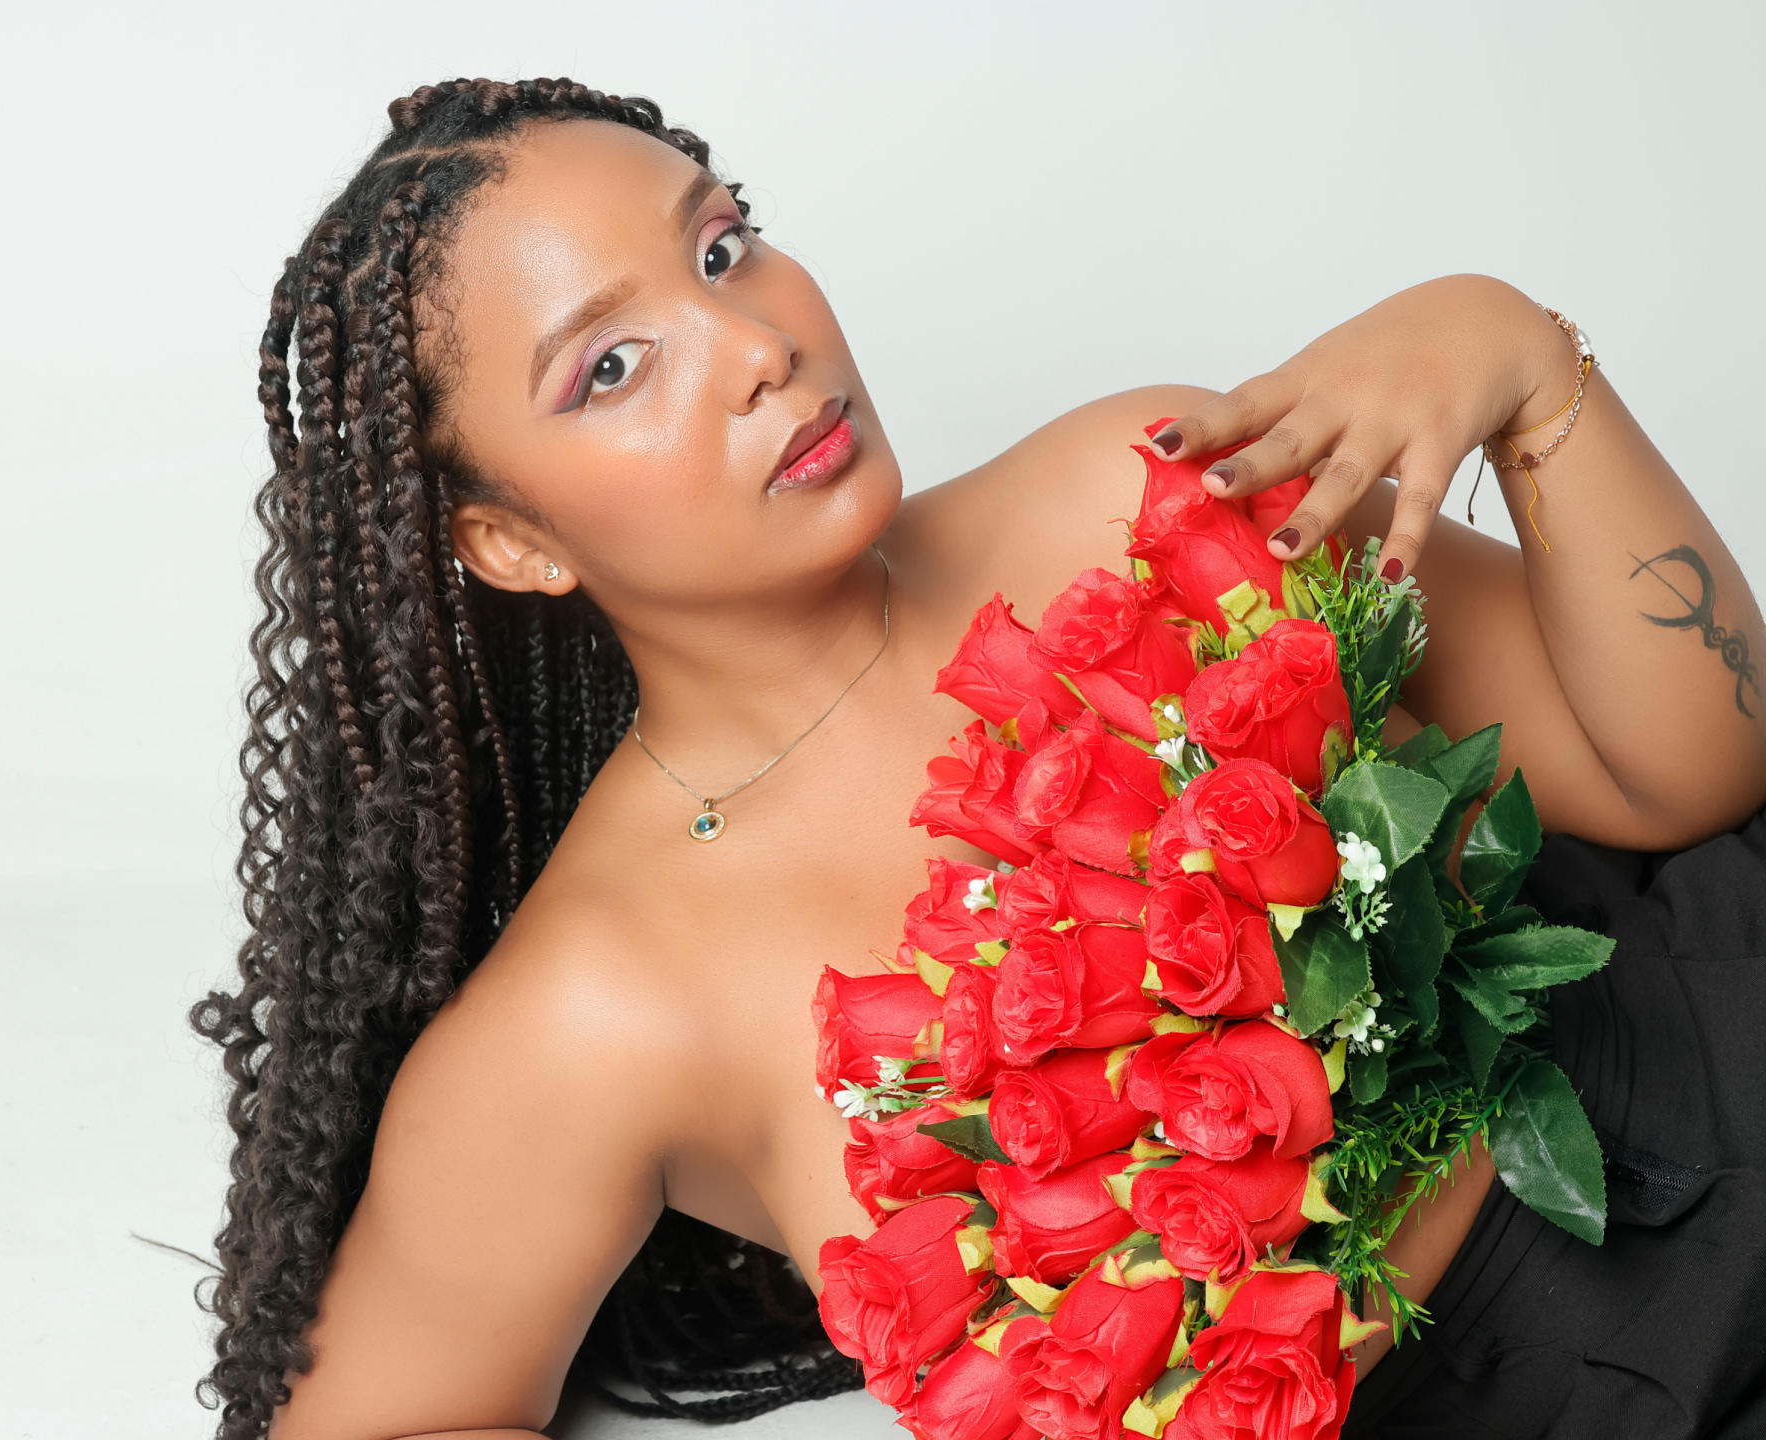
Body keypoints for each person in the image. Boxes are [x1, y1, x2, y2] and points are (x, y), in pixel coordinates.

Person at [189, 75, 1766, 1440]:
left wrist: (1518, 357)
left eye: (723, 247)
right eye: (611, 366)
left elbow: (1682, 779)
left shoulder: (1133, 489)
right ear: (511, 544)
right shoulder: (597, 1008)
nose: (754, 344)